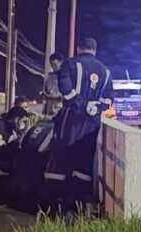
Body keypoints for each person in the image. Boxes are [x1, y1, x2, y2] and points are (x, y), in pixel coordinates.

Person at [44, 37, 112, 206]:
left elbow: (64, 86)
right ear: (94, 50)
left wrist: (77, 103)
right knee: (85, 157)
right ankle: (79, 199)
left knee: (63, 152)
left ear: (78, 48)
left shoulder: (70, 64)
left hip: (71, 117)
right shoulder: (106, 71)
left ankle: (58, 198)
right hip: (92, 122)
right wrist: (95, 107)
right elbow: (110, 98)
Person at [42, 52, 65, 118]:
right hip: (50, 105)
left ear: (61, 62)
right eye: (51, 65)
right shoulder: (50, 76)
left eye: (55, 64)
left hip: (60, 105)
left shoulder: (65, 76)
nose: (53, 67)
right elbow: (45, 90)